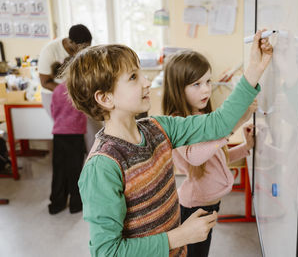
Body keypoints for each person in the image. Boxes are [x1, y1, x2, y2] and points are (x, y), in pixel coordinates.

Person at [64, 29, 272, 256]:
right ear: (105, 98)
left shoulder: (159, 127)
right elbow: (107, 252)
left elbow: (217, 124)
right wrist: (181, 236)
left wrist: (254, 70)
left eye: (141, 73)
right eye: (133, 77)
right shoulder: (102, 166)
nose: (147, 81)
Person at [162, 50, 257, 257]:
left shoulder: (202, 116)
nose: (206, 89)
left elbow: (218, 159)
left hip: (210, 203)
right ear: (178, 88)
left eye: (208, 81)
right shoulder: (177, 122)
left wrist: (245, 147)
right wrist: (234, 125)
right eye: (196, 84)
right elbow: (196, 156)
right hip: (193, 206)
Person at [38, 24, 102, 154]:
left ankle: (95, 157)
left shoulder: (84, 51)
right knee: (71, 133)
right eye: (82, 48)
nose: (85, 50)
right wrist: (72, 91)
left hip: (78, 93)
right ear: (70, 42)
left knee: (94, 128)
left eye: (87, 46)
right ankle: (80, 163)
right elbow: (45, 82)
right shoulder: (50, 51)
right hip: (55, 96)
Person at [48, 59, 87, 214]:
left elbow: (53, 111)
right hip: (75, 135)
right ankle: (76, 205)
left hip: (58, 135)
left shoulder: (57, 90)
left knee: (59, 171)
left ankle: (56, 204)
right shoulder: (79, 90)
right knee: (75, 171)